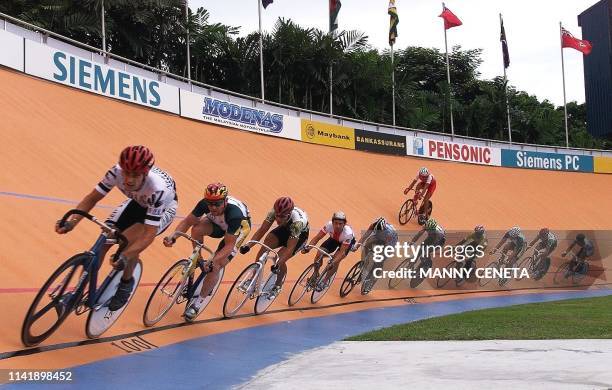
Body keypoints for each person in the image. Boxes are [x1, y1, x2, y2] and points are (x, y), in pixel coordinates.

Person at [55, 146, 178, 311]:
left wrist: (125, 256)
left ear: (145, 173)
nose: (128, 179)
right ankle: (77, 292)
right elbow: (92, 198)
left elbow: (148, 235)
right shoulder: (116, 172)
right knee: (105, 239)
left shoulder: (158, 190)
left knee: (127, 242)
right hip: (137, 201)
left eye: (135, 175)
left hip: (162, 207)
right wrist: (71, 222)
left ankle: (126, 284)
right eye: (126, 173)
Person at [163, 182, 251, 320]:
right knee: (196, 229)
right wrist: (173, 236)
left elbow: (229, 246)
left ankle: (198, 304)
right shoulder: (204, 204)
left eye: (217, 204)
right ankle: (198, 257)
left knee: (216, 265)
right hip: (218, 223)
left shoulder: (235, 215)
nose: (213, 207)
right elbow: (187, 222)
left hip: (237, 230)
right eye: (210, 203)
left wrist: (214, 261)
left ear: (225, 201)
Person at [240, 197, 309, 300]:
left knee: (279, 259)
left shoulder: (297, 223)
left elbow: (289, 249)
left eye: (282, 216)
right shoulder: (274, 211)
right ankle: (253, 278)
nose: (278, 219)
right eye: (277, 215)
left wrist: (278, 264)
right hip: (285, 229)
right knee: (266, 244)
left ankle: (278, 285)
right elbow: (262, 230)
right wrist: (248, 245)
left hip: (299, 236)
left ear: (289, 214)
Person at [303, 211, 356, 288]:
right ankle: (315, 273)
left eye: (340, 224)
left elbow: (341, 252)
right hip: (333, 239)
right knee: (319, 253)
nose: (337, 226)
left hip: (345, 243)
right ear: (332, 222)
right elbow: (317, 238)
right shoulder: (329, 225)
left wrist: (333, 262)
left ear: (344, 224)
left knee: (335, 261)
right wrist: (309, 247)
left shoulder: (348, 234)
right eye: (335, 223)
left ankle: (324, 281)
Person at [351, 217, 398, 294]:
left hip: (389, 242)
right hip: (378, 237)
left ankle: (370, 282)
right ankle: (363, 263)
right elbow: (365, 235)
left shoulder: (389, 233)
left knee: (379, 262)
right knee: (368, 242)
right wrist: (357, 246)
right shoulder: (373, 225)